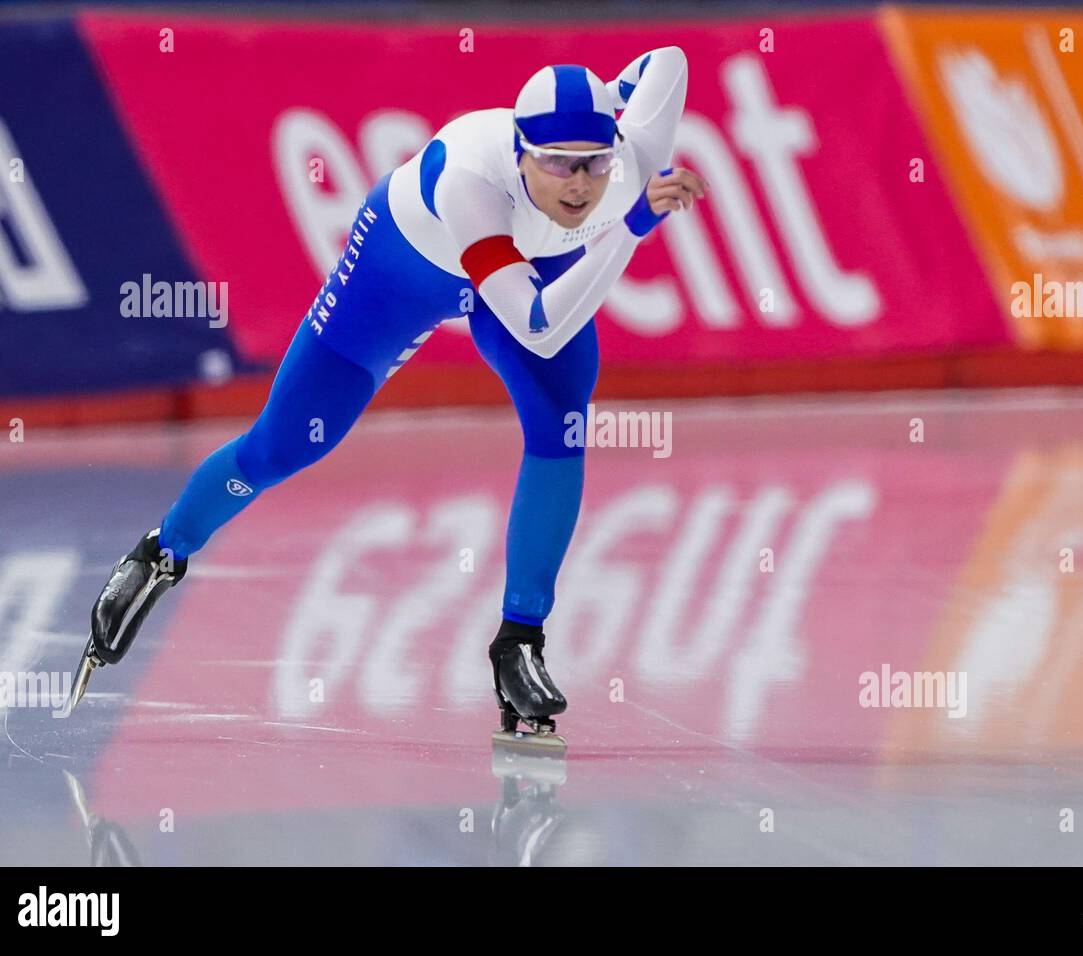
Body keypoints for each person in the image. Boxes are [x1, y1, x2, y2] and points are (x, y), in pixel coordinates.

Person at [70, 49, 709, 746]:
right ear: (521, 153)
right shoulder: (473, 182)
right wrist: (631, 230)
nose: (579, 184)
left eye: (593, 162)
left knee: (561, 423)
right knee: (286, 446)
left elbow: (669, 63)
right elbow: (540, 324)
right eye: (557, 162)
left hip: (531, 272)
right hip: (405, 266)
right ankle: (162, 552)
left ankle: (519, 641)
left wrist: (612, 93)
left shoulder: (630, 168)